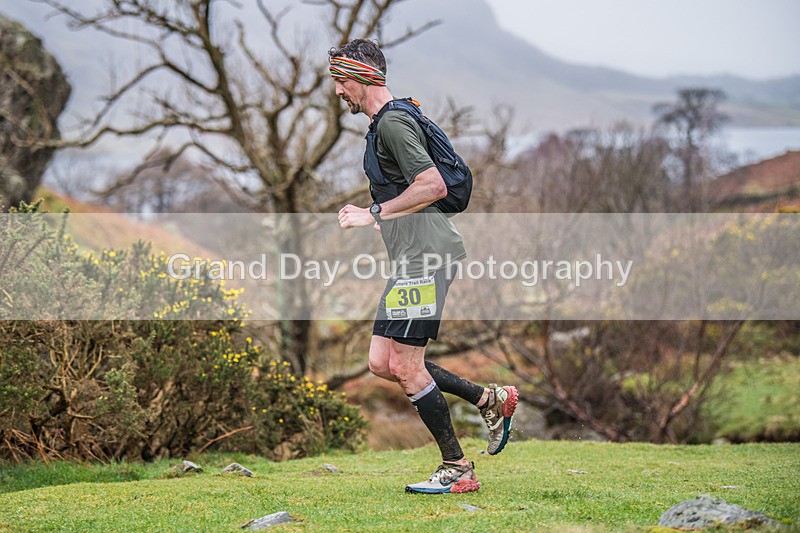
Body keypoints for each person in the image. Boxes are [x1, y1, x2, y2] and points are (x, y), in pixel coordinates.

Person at [330, 39, 517, 494]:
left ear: (364, 76)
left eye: (341, 80)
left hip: (426, 259)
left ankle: (457, 468)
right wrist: (389, 216)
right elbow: (410, 191)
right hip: (410, 257)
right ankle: (488, 398)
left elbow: (431, 185)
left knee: (408, 366)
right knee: (381, 361)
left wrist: (372, 213)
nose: (337, 91)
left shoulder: (393, 122)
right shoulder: (384, 123)